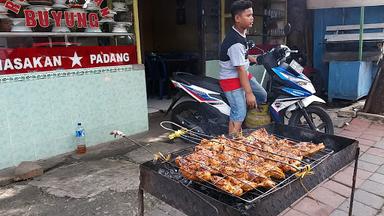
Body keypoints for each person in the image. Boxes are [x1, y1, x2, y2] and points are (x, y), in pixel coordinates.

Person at [219, 0, 267, 135]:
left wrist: (251, 58)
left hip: (242, 74)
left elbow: (241, 59)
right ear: (237, 18)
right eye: (248, 15)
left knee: (262, 95)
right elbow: (239, 69)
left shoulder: (241, 33)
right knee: (239, 112)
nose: (252, 18)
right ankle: (232, 143)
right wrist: (249, 93)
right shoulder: (235, 42)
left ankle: (246, 119)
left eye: (252, 15)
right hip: (231, 79)